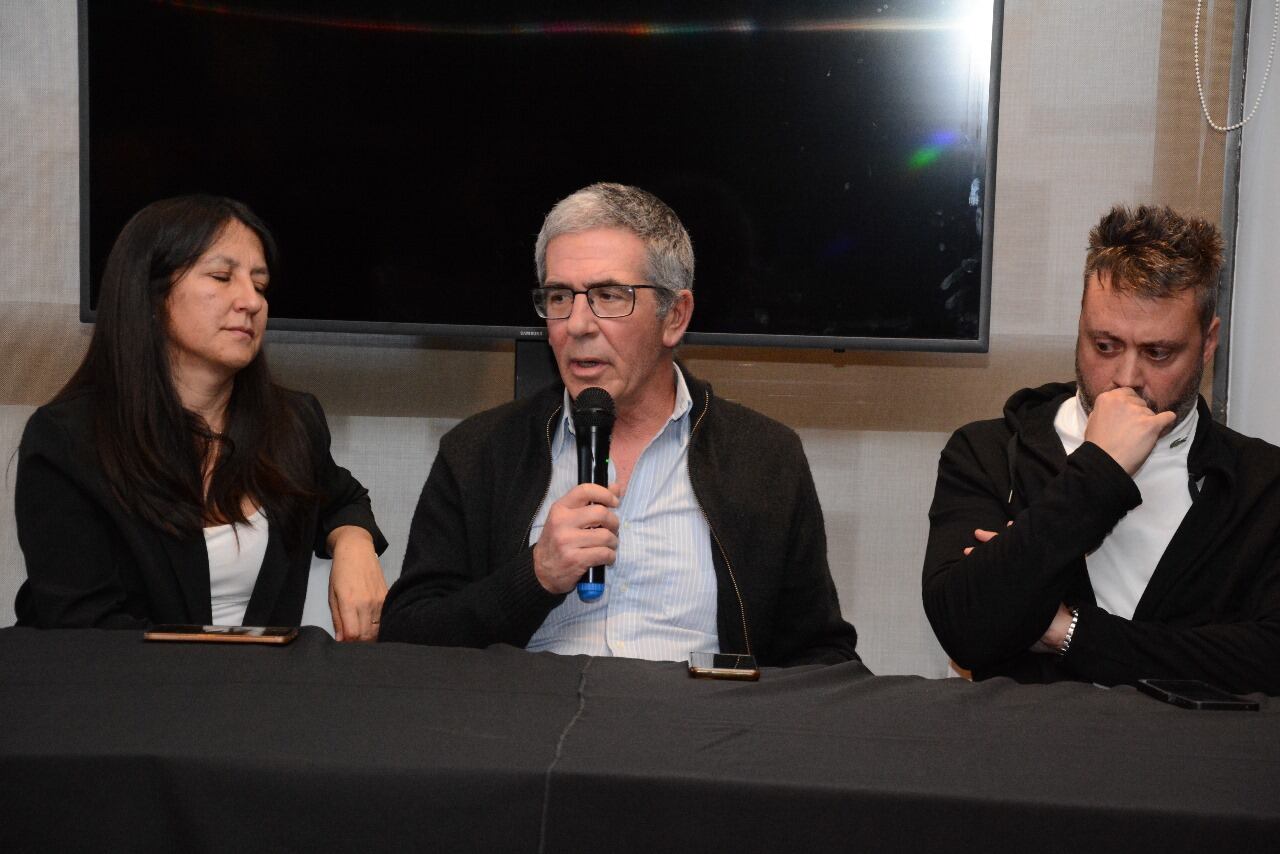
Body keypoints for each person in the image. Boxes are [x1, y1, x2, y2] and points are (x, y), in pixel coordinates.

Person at [379, 183, 859, 666]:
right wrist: (536, 575)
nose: (578, 324)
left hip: (695, 728)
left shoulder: (764, 457)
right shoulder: (479, 451)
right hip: (529, 725)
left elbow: (818, 654)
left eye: (609, 296)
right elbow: (407, 639)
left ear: (675, 316)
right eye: (560, 296)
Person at [922, 204, 1280, 694]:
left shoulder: (1264, 483)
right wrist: (1099, 470)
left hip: (1193, 765)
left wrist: (1067, 632)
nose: (1126, 379)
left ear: (1209, 342)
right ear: (1081, 327)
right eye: (1105, 345)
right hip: (1029, 759)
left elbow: (1266, 660)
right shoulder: (989, 453)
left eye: (1158, 352)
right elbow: (967, 629)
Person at [15, 195, 389, 640]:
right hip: (114, 698)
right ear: (151, 295)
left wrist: (353, 540)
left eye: (261, 284)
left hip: (250, 696)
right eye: (221, 277)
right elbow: (85, 632)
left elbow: (342, 497)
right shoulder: (68, 440)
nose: (251, 301)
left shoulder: (293, 420)